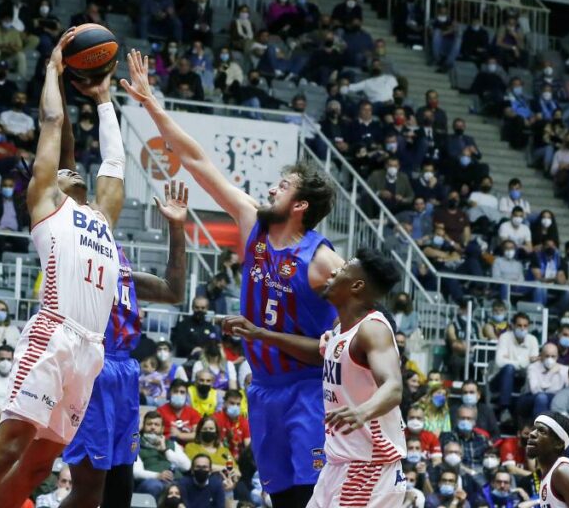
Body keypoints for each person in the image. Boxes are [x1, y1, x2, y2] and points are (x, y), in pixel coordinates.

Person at [122, 47, 345, 507]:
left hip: (306, 389)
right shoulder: (252, 223)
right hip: (261, 388)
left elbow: (363, 328)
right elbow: (197, 159)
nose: (269, 189)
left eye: (282, 187)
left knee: (311, 496)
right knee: (278, 496)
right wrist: (151, 103)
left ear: (300, 206)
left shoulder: (324, 262)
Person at [0, 31, 122, 508]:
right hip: (53, 335)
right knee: (10, 444)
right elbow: (52, 119)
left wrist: (104, 100)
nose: (73, 171)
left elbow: (115, 158)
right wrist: (53, 70)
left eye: (78, 173)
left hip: (90, 350)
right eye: (65, 171)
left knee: (40, 462)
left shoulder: (102, 216)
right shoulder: (46, 205)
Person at [61, 70, 189, 507]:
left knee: (120, 487)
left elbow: (173, 291)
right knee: (87, 491)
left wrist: (177, 230)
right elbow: (78, 162)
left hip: (124, 371)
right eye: (73, 187)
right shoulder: (68, 235)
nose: (83, 190)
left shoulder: (115, 257)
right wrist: (68, 94)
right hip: (91, 366)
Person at [242, 248, 404, 507]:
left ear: (356, 285)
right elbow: (320, 354)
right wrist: (261, 334)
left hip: (369, 467)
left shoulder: (372, 329)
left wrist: (363, 411)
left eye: (341, 271)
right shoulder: (340, 330)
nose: (331, 273)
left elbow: (394, 387)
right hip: (337, 464)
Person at [133, 410, 192, 499]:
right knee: (155, 486)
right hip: (152, 481)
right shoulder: (136, 445)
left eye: (156, 425)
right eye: (149, 424)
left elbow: (187, 466)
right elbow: (136, 472)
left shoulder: (171, 444)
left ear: (162, 429)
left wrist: (165, 450)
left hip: (176, 480)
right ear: (143, 427)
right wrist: (158, 476)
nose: (153, 427)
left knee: (189, 484)